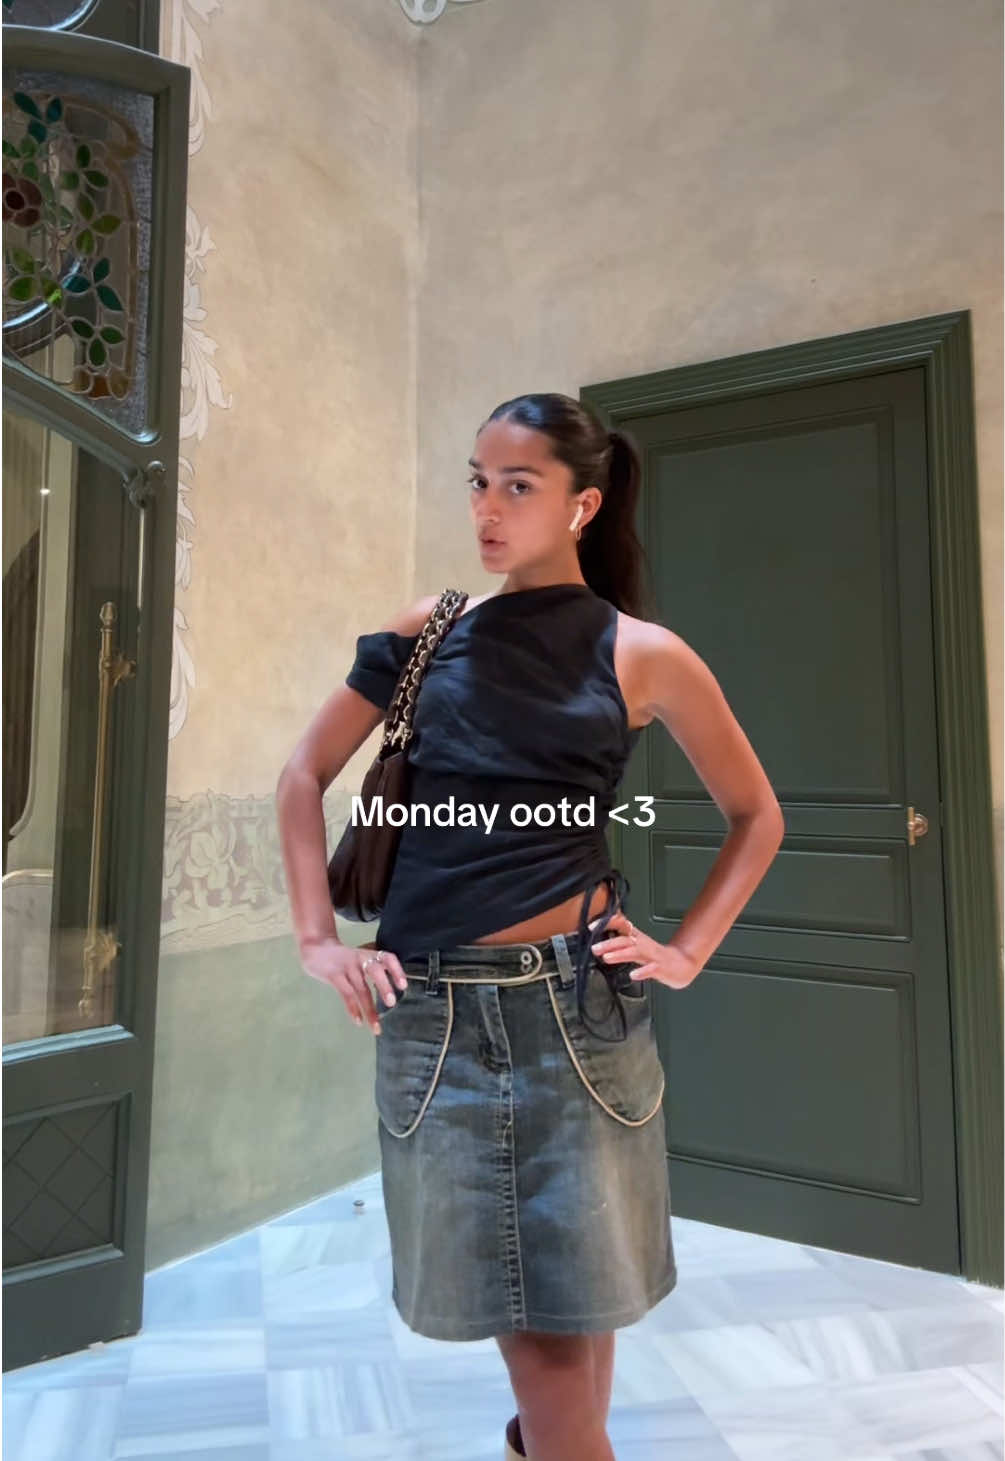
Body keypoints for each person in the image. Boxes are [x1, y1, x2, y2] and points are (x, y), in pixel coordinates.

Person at [277, 393, 785, 1461]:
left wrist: (687, 950)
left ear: (582, 504)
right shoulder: (431, 631)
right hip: (439, 1014)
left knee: (582, 1298)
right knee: (542, 1323)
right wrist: (318, 940)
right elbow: (301, 775)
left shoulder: (642, 652)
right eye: (478, 482)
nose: (488, 508)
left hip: (580, 1009)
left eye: (518, 486)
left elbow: (756, 814)